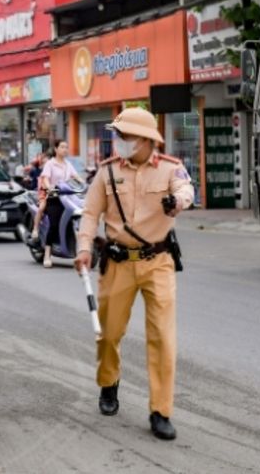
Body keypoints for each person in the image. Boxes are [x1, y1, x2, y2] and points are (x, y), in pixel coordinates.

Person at [74, 107, 194, 441]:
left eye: (124, 136)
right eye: (118, 135)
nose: (119, 141)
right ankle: (109, 382)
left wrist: (177, 202)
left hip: (158, 261)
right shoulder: (106, 172)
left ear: (143, 140)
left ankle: (161, 410)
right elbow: (89, 213)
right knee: (109, 333)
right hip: (118, 262)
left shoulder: (171, 169)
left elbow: (187, 191)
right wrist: (84, 247)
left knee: (163, 338)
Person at [34, 140, 82, 268]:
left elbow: (76, 176)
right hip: (54, 198)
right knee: (54, 224)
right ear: (56, 149)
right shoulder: (50, 164)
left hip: (68, 198)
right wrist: (50, 187)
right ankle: (47, 254)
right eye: (62, 147)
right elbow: (44, 178)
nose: (65, 149)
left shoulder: (68, 164)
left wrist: (83, 182)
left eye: (66, 147)